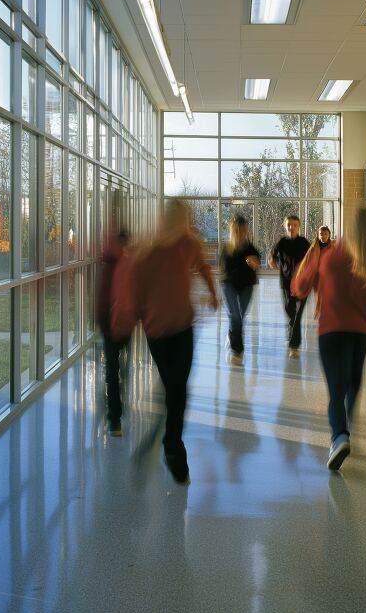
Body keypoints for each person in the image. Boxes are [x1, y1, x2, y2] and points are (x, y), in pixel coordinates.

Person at [292, 208, 366, 471]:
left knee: (336, 390)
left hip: (331, 331)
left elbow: (299, 286)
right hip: (359, 332)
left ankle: (339, 435)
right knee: (353, 382)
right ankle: (346, 423)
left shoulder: (328, 255)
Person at [131, 199, 219, 484]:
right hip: (157, 331)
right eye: (181, 217)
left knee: (178, 389)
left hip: (182, 327)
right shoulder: (149, 251)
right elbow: (136, 289)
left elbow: (203, 267)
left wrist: (213, 292)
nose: (185, 222)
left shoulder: (189, 244)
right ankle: (171, 443)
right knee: (174, 387)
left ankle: (172, 445)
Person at [96, 227, 136, 436]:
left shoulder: (107, 263)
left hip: (113, 324)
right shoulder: (123, 264)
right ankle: (115, 416)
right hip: (118, 324)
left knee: (113, 369)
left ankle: (115, 415)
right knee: (116, 368)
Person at [220, 215, 261, 366]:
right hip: (229, 286)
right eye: (237, 231)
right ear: (232, 232)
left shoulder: (251, 249)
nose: (241, 234)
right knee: (235, 315)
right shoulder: (227, 249)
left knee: (239, 317)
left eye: (243, 231)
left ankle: (232, 335)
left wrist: (255, 263)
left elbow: (257, 263)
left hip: (247, 286)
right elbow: (224, 270)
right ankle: (237, 350)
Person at [269, 214, 311, 357]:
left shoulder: (304, 243)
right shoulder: (282, 242)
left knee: (298, 314)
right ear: (285, 226)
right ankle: (291, 328)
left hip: (303, 284)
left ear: (299, 226)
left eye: (294, 225)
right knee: (290, 311)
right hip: (286, 284)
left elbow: (313, 259)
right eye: (289, 225)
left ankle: (294, 346)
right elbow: (272, 257)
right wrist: (272, 262)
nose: (291, 227)